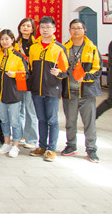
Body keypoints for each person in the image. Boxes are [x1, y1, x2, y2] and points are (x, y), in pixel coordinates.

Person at [28, 16, 69, 162]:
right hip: (37, 90)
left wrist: (60, 73)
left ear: (54, 29)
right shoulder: (34, 48)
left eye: (48, 27)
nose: (45, 30)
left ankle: (52, 149)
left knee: (52, 120)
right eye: (42, 27)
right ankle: (42, 146)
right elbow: (31, 68)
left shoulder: (59, 48)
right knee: (41, 119)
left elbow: (66, 70)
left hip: (52, 89)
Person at [62, 19, 102, 163]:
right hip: (69, 91)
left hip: (86, 92)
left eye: (79, 28)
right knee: (70, 121)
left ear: (85, 30)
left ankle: (91, 149)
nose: (76, 31)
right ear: (69, 31)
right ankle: (71, 145)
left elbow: (97, 69)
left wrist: (85, 77)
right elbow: (62, 69)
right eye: (73, 28)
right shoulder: (65, 48)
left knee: (89, 122)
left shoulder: (92, 48)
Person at [0, 29, 28, 158]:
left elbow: (26, 75)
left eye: (7, 39)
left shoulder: (19, 57)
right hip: (0, 94)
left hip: (14, 94)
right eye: (2, 39)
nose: (4, 41)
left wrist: (15, 75)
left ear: (12, 40)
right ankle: (6, 142)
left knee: (15, 121)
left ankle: (16, 145)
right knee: (4, 120)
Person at [15, 17, 39, 149]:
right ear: (19, 28)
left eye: (28, 26)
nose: (25, 28)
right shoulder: (14, 43)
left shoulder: (36, 45)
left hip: (31, 81)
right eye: (23, 25)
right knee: (18, 110)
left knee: (30, 110)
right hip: (18, 79)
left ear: (32, 29)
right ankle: (19, 136)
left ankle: (32, 138)